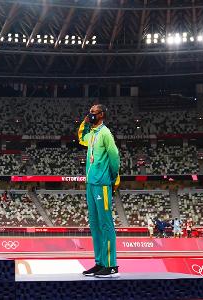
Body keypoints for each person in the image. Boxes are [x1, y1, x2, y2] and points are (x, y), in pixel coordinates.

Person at [78, 104, 121, 278]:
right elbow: (81, 138)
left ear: (102, 114)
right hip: (91, 184)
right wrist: (85, 122)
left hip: (102, 184)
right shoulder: (93, 134)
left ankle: (111, 265)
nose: (91, 114)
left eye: (94, 113)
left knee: (105, 224)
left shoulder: (105, 133)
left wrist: (113, 178)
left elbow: (114, 156)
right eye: (90, 112)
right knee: (95, 225)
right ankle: (100, 263)